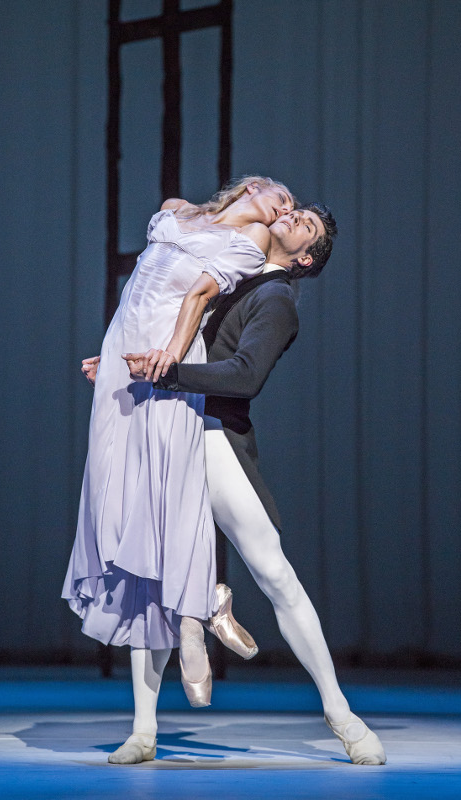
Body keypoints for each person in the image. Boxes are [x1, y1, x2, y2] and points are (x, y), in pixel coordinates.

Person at [122, 203, 387, 766]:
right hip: (168, 425)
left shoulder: (276, 300)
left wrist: (166, 373)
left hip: (214, 434)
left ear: (306, 257)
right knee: (152, 577)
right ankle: (143, 730)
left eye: (305, 224)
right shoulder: (227, 271)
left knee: (273, 573)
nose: (290, 216)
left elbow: (244, 377)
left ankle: (341, 714)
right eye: (292, 210)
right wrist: (125, 363)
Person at [62, 176, 294, 764]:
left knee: (166, 490)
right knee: (118, 487)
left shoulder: (247, 247)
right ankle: (202, 604)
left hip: (167, 353)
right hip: (128, 347)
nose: (283, 209)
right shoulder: (175, 211)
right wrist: (116, 348)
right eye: (281, 197)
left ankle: (194, 613)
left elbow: (193, 299)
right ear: (252, 186)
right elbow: (138, 286)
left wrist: (167, 356)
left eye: (290, 211)